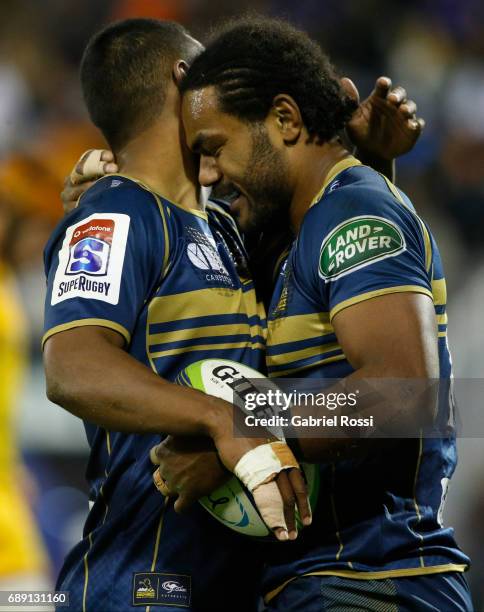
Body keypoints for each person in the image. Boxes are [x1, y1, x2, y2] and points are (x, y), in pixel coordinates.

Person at [171, 15, 473, 611]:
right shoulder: (303, 229)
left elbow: (403, 394)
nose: (207, 174)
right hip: (332, 579)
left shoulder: (351, 214)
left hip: (375, 581)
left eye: (214, 148)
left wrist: (239, 428)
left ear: (284, 120)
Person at [43, 19, 311, 612]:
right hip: (139, 585)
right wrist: (222, 422)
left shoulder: (222, 225)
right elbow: (73, 365)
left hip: (225, 583)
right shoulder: (113, 217)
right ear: (185, 77)